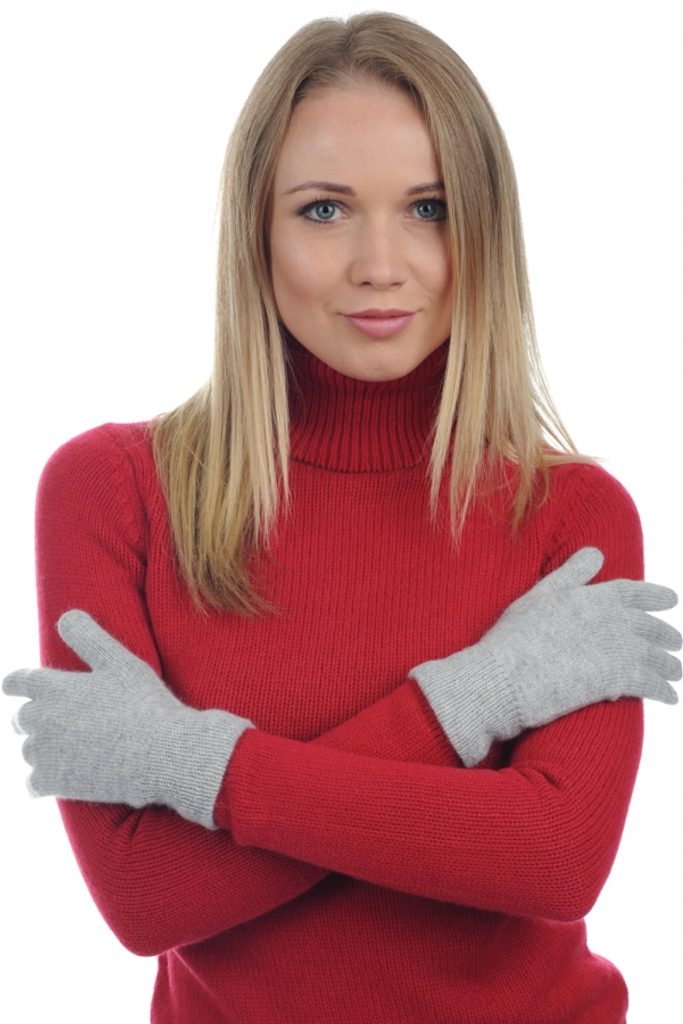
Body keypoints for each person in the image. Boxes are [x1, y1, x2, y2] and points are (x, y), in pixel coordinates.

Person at [3, 11, 681, 1024]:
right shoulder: (115, 490)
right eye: (323, 210)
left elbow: (553, 860)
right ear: (255, 231)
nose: (380, 263)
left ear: (485, 229)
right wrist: (470, 701)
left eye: (428, 208)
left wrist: (193, 763)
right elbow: (147, 898)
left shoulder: (569, 515)